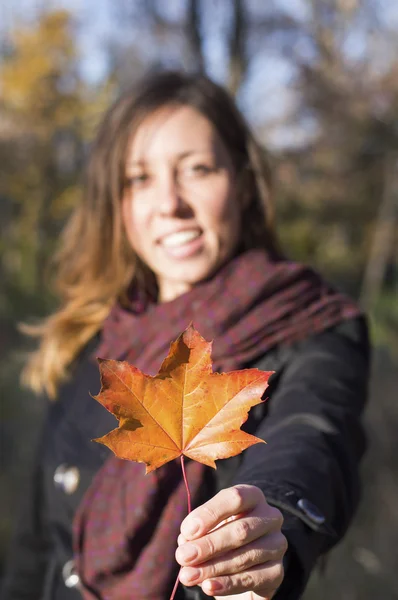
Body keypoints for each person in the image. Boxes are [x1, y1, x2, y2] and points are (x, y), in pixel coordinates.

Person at [2, 71, 370, 600]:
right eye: (139, 178)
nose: (170, 202)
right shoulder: (98, 341)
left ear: (241, 185)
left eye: (197, 169)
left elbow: (314, 437)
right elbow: (34, 548)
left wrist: (273, 518)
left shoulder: (309, 323)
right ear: (118, 204)